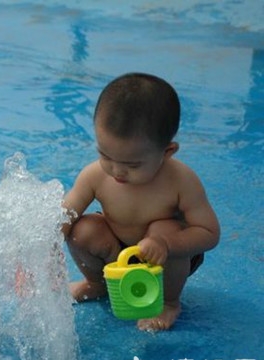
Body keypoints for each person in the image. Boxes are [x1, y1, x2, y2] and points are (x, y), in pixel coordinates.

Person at [61, 72, 220, 331]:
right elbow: (65, 213)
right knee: (82, 229)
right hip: (116, 254)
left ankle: (169, 302)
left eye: (132, 164)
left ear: (167, 152)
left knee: (164, 228)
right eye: (105, 155)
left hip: (165, 260)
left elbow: (210, 233)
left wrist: (167, 244)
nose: (116, 171)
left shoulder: (181, 181)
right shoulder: (95, 175)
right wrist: (43, 246)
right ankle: (97, 283)